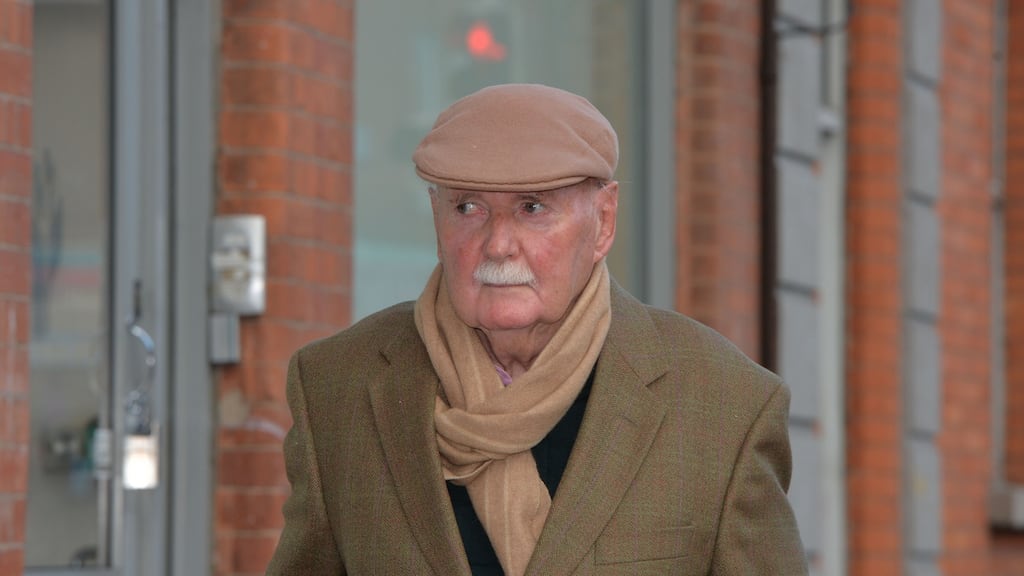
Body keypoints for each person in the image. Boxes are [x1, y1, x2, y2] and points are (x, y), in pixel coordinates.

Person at [266, 83, 808, 575]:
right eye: (468, 207)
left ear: (604, 222)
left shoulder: (726, 405)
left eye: (532, 208)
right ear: (436, 219)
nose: (499, 245)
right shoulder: (336, 388)